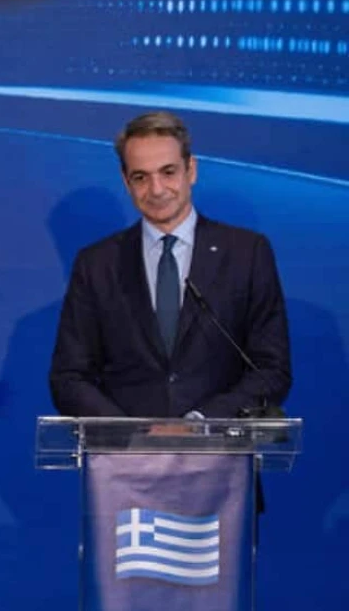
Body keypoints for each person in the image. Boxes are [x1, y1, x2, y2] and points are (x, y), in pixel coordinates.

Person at [49, 112, 291, 418]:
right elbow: (69, 378)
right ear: (126, 182)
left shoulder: (247, 253)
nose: (157, 189)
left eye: (168, 172)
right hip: (124, 457)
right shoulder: (97, 264)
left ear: (191, 170)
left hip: (219, 451)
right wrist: (128, 433)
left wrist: (200, 422)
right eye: (141, 177)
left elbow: (271, 369)